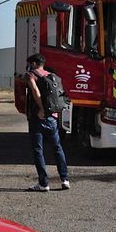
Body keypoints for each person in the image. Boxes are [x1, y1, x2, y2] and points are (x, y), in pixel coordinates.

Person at [24, 53, 69, 192]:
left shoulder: (31, 75)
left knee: (38, 150)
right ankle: (65, 180)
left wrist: (42, 109)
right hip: (53, 117)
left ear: (33, 63)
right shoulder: (52, 76)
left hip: (38, 116)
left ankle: (44, 184)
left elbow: (35, 91)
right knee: (57, 148)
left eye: (29, 63)